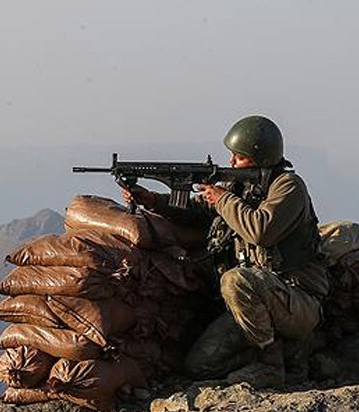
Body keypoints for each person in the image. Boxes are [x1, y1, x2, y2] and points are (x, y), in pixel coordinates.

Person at [121, 115, 328, 386]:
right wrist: (154, 201)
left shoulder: (288, 187)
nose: (231, 162)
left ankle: (271, 365)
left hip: (296, 300)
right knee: (199, 365)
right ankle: (286, 356)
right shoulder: (240, 186)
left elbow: (260, 230)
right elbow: (199, 210)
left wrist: (223, 199)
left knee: (235, 280)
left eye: (239, 157)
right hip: (252, 303)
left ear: (260, 157)